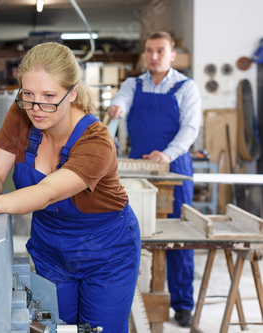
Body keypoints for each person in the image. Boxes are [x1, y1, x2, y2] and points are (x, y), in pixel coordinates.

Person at [0, 42, 141, 332]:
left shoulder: (97, 142)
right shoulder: (22, 113)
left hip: (105, 251)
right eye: (28, 95)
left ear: (72, 92)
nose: (36, 109)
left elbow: (47, 192)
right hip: (50, 247)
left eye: (49, 97)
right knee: (53, 326)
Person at [108, 31, 201, 327]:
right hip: (137, 168)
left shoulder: (186, 87)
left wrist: (168, 154)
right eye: (149, 51)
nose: (154, 56)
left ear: (172, 54)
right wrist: (116, 108)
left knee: (177, 236)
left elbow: (190, 128)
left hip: (173, 168)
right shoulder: (132, 84)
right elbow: (120, 102)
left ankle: (183, 302)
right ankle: (128, 299)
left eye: (161, 51)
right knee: (131, 232)